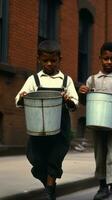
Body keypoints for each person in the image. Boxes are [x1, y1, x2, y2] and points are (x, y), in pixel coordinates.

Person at [15, 40, 79, 200]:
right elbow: (18, 100)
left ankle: (50, 191)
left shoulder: (66, 80)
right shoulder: (33, 80)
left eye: (53, 60)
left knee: (54, 158)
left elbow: (75, 103)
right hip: (38, 128)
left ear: (60, 59)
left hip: (60, 128)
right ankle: (49, 184)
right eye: (45, 61)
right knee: (35, 158)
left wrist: (68, 100)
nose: (49, 64)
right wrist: (22, 98)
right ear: (39, 59)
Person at [79, 42, 112, 200]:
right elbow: (85, 102)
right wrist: (82, 93)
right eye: (106, 58)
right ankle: (102, 187)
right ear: (100, 58)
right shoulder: (92, 80)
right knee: (100, 155)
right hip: (97, 124)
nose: (109, 62)